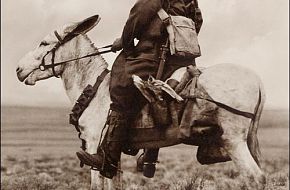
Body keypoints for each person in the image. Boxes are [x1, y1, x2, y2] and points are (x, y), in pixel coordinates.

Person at [76, 0, 203, 179]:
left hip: (156, 55)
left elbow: (138, 16)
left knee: (121, 86)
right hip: (182, 58)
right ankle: (149, 158)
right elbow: (197, 22)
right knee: (155, 94)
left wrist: (124, 43)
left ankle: (108, 159)